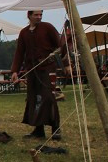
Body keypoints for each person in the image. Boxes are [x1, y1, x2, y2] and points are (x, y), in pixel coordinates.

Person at [10, 10, 66, 141]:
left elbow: (60, 46)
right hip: (32, 70)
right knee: (34, 98)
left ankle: (55, 128)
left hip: (47, 68)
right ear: (29, 15)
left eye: (41, 14)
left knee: (48, 97)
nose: (39, 17)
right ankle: (39, 130)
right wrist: (15, 71)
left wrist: (66, 63)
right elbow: (19, 52)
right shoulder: (24, 32)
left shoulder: (48, 27)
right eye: (36, 15)